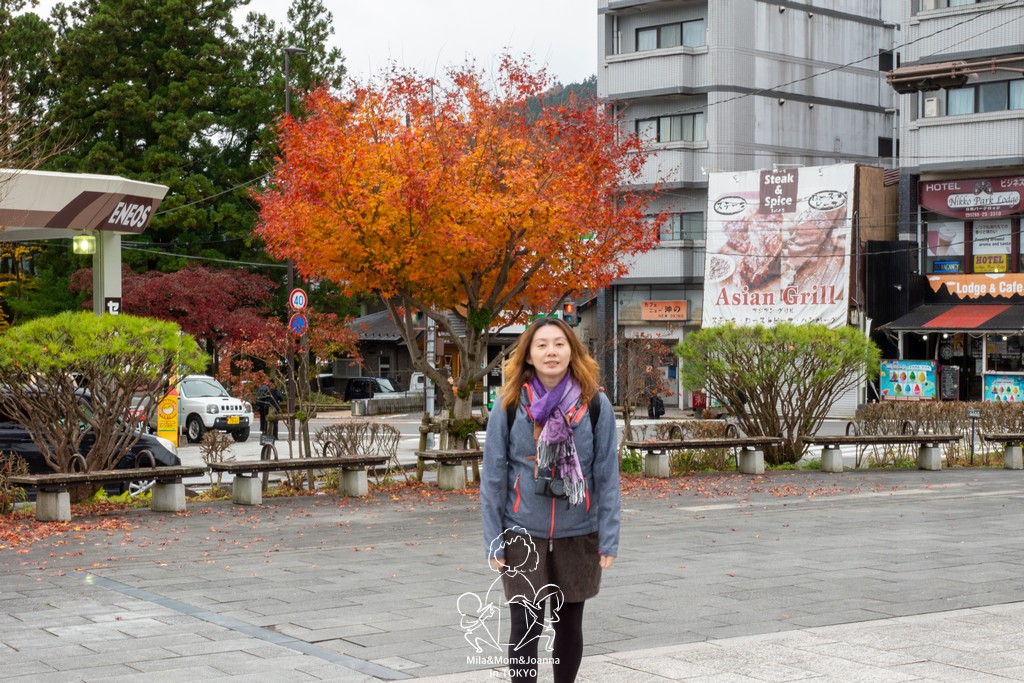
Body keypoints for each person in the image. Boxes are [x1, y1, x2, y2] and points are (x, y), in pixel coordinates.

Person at [480, 316, 620, 683]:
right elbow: (493, 476)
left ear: (572, 351)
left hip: (579, 531)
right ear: (528, 355)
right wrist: (494, 540)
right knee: (525, 626)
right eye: (541, 345)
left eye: (559, 343)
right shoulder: (510, 403)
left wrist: (609, 537)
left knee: (569, 625)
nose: (551, 352)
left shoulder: (594, 403)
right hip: (522, 533)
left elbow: (606, 474)